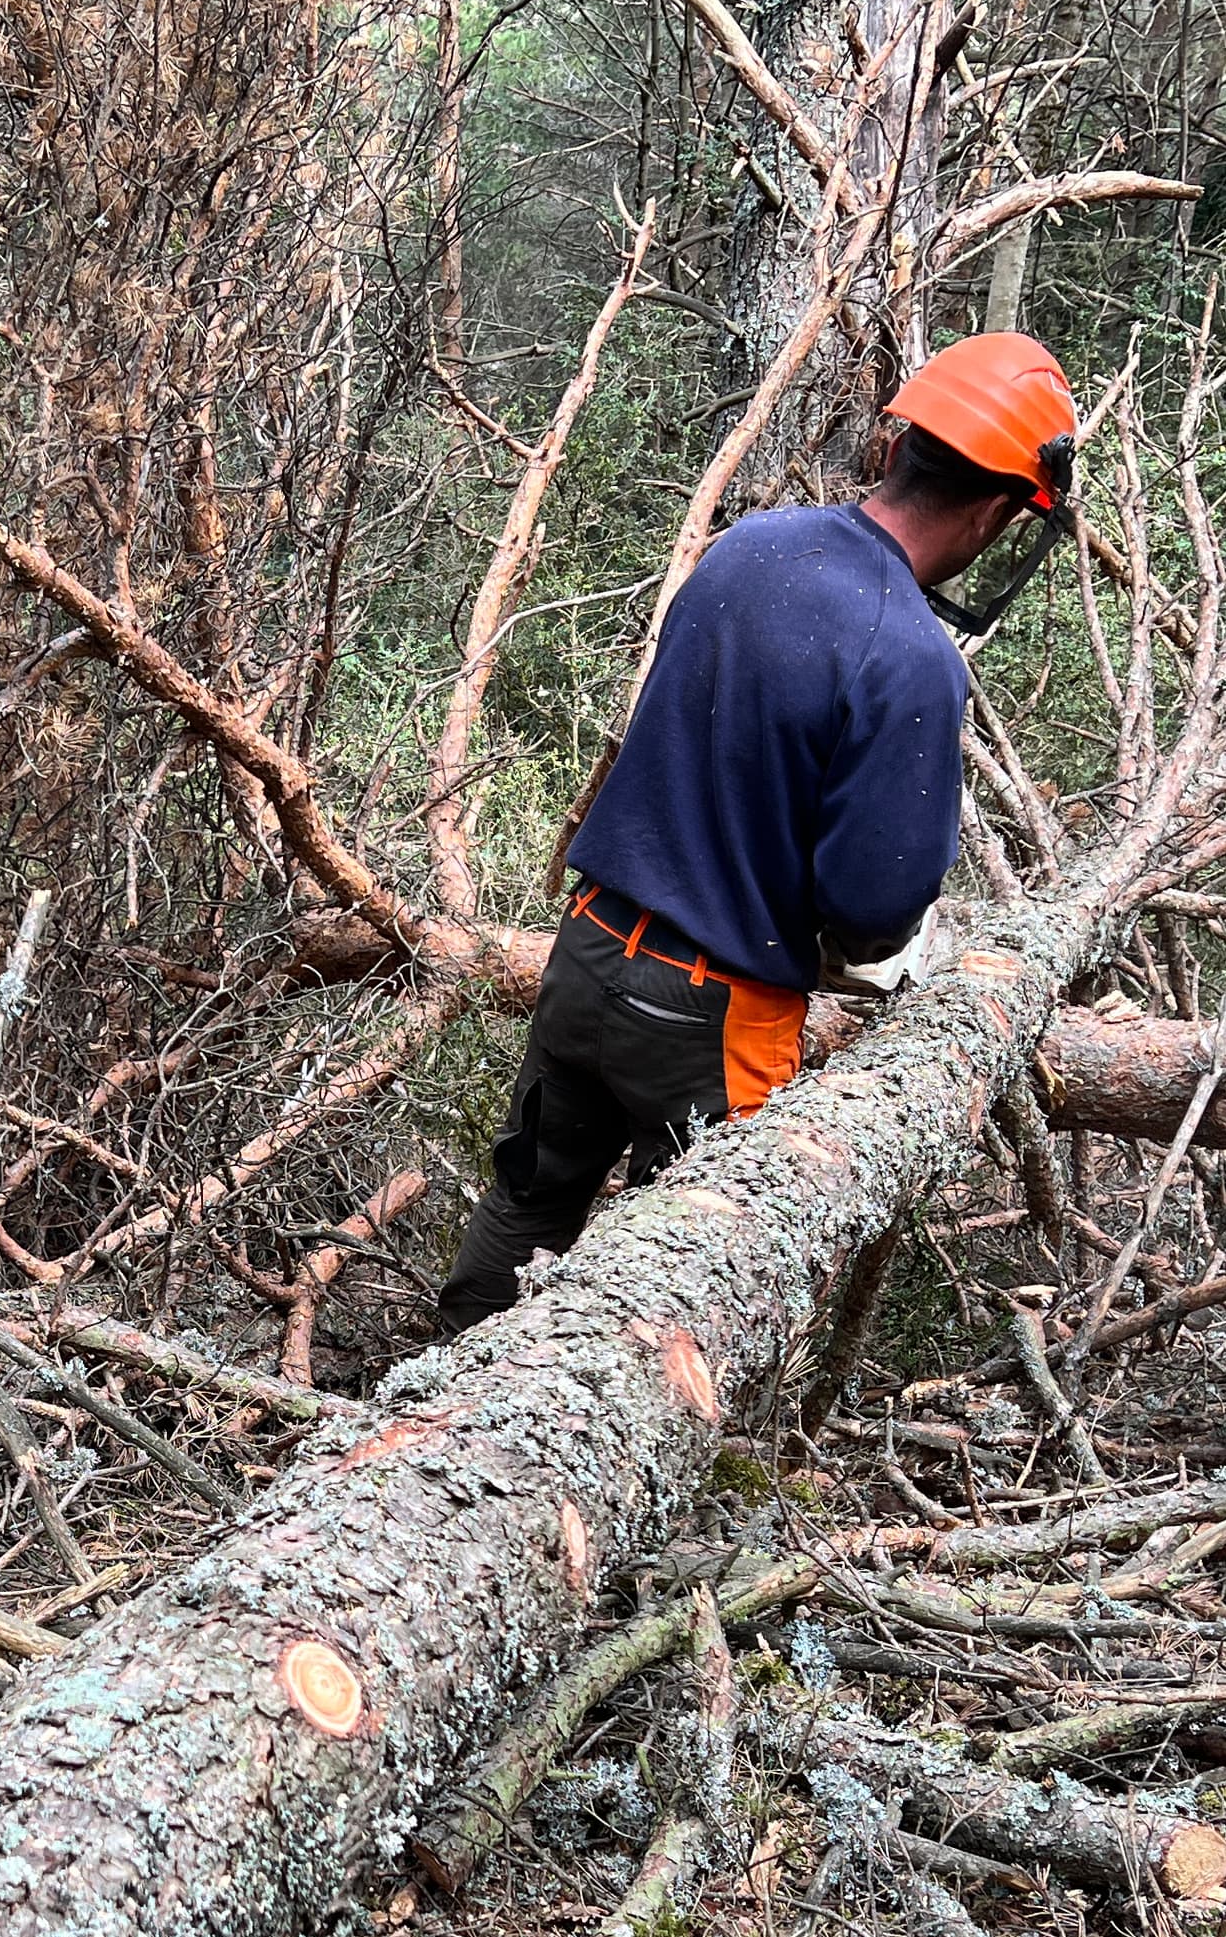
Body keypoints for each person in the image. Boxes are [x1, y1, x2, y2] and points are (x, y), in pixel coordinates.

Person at [427, 333, 1079, 1336]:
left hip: (590, 946)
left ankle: (443, 1396)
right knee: (701, 1275)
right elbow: (872, 904)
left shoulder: (753, 545)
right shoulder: (910, 655)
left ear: (899, 449)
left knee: (530, 1196)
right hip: (712, 1012)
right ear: (999, 508)